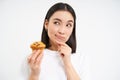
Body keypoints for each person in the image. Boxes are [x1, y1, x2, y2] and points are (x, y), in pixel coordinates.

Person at [27, 2, 83, 80]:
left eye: (68, 25)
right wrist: (34, 74)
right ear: (46, 24)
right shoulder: (32, 59)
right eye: (57, 23)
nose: (62, 31)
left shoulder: (81, 59)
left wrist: (68, 63)